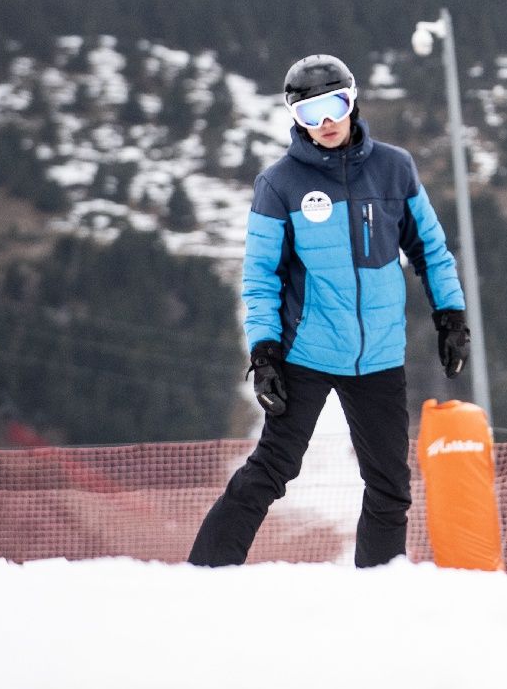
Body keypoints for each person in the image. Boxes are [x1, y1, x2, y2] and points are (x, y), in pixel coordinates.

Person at [189, 54, 472, 568]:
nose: (325, 122)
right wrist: (266, 354)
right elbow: (260, 279)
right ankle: (206, 572)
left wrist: (450, 316)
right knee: (272, 469)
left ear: (353, 100)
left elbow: (430, 249)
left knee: (390, 488)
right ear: (294, 117)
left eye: (335, 105)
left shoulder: (395, 169)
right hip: (308, 353)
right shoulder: (279, 185)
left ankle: (377, 590)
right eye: (310, 112)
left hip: (380, 356)